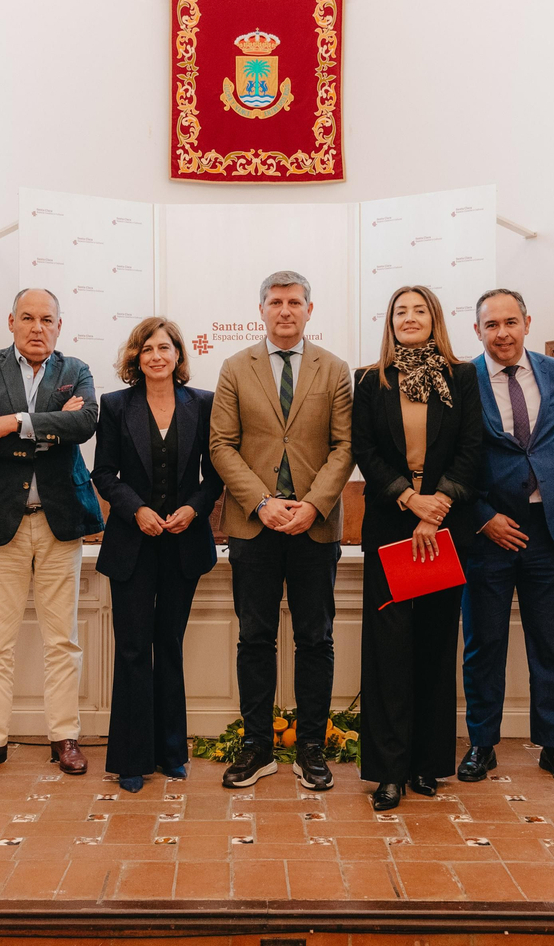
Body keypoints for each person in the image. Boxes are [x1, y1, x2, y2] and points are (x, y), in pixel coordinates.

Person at [209, 269, 355, 791]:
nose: (285, 310)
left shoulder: (334, 369)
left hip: (315, 528)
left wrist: (314, 505)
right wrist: (262, 502)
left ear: (309, 310)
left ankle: (311, 747)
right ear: (262, 310)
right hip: (254, 527)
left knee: (316, 639)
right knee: (255, 639)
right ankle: (257, 747)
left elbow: (345, 446)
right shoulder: (235, 367)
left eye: (295, 302)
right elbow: (221, 444)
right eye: (276, 302)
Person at [0, 287, 103, 778]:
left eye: (46, 319)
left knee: (63, 639)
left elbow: (84, 423)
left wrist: (15, 421)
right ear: (11, 321)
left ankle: (64, 736)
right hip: (1, 522)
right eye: (27, 318)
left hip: (59, 521)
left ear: (60, 325)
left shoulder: (75, 369)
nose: (37, 327)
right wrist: (49, 426)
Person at [351, 286, 484, 811]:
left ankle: (427, 764)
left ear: (435, 319)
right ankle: (388, 772)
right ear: (390, 322)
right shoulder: (370, 379)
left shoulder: (462, 376)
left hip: (443, 531)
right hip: (390, 526)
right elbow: (365, 450)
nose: (409, 318)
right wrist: (410, 499)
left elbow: (471, 448)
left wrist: (436, 508)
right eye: (400, 311)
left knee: (434, 645)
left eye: (419, 310)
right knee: (388, 652)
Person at [460, 288, 554, 785]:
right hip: (487, 531)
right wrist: (482, 516)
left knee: (551, 645)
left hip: (547, 528)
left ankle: (553, 745)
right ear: (477, 330)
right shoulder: (463, 377)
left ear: (527, 323)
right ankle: (482, 744)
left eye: (510, 322)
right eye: (491, 325)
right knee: (484, 644)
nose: (502, 333)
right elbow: (452, 457)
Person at [92, 318, 223, 793]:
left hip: (183, 544)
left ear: (178, 355)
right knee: (131, 648)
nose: (156, 356)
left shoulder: (203, 404)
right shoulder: (115, 405)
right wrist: (136, 510)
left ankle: (171, 753)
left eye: (164, 348)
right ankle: (131, 759)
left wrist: (194, 508)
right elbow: (104, 473)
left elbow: (217, 475)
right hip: (132, 544)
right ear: (136, 357)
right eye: (147, 349)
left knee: (169, 645)